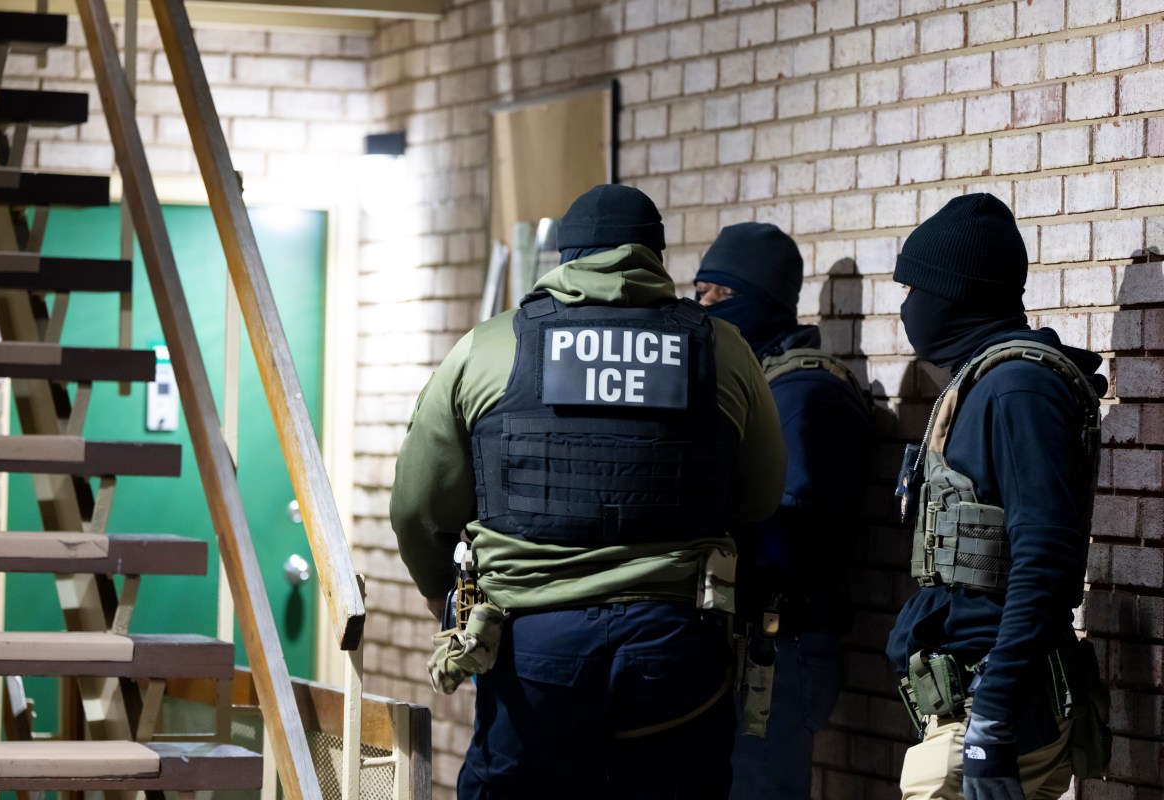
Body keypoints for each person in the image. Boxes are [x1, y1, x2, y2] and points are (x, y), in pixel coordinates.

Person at [390, 184, 787, 799]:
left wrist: (441, 590)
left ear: (566, 254)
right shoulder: (723, 349)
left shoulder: (489, 347)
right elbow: (760, 497)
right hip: (675, 643)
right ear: (654, 254)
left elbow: (417, 507)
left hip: (532, 643)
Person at [886, 193, 1110, 800]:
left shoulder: (1017, 390)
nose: (907, 306)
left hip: (996, 708)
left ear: (955, 293)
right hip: (972, 704)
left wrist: (993, 717)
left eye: (914, 289)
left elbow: (1044, 558)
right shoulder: (984, 382)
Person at [693, 222, 874, 800]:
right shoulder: (754, 382)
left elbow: (790, 541)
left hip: (780, 649)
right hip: (746, 642)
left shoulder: (807, 395)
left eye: (722, 294)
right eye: (699, 291)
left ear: (765, 302)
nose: (704, 306)